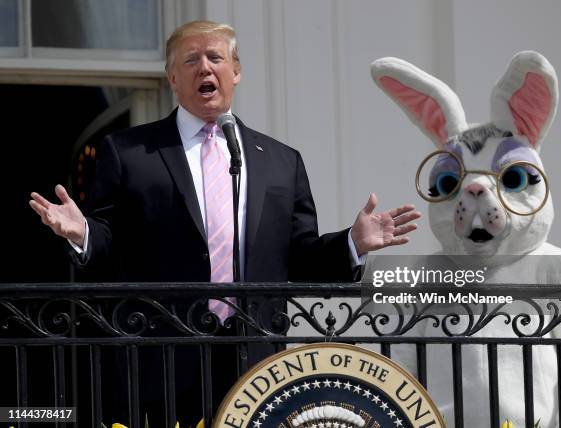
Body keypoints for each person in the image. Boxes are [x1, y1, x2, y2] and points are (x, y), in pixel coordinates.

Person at [29, 20, 421, 426]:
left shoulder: (281, 161)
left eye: (216, 57)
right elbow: (108, 247)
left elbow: (300, 257)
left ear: (236, 72)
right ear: (172, 78)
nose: (205, 68)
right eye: (191, 59)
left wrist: (351, 243)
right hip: (163, 355)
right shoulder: (129, 152)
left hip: (255, 360)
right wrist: (84, 233)